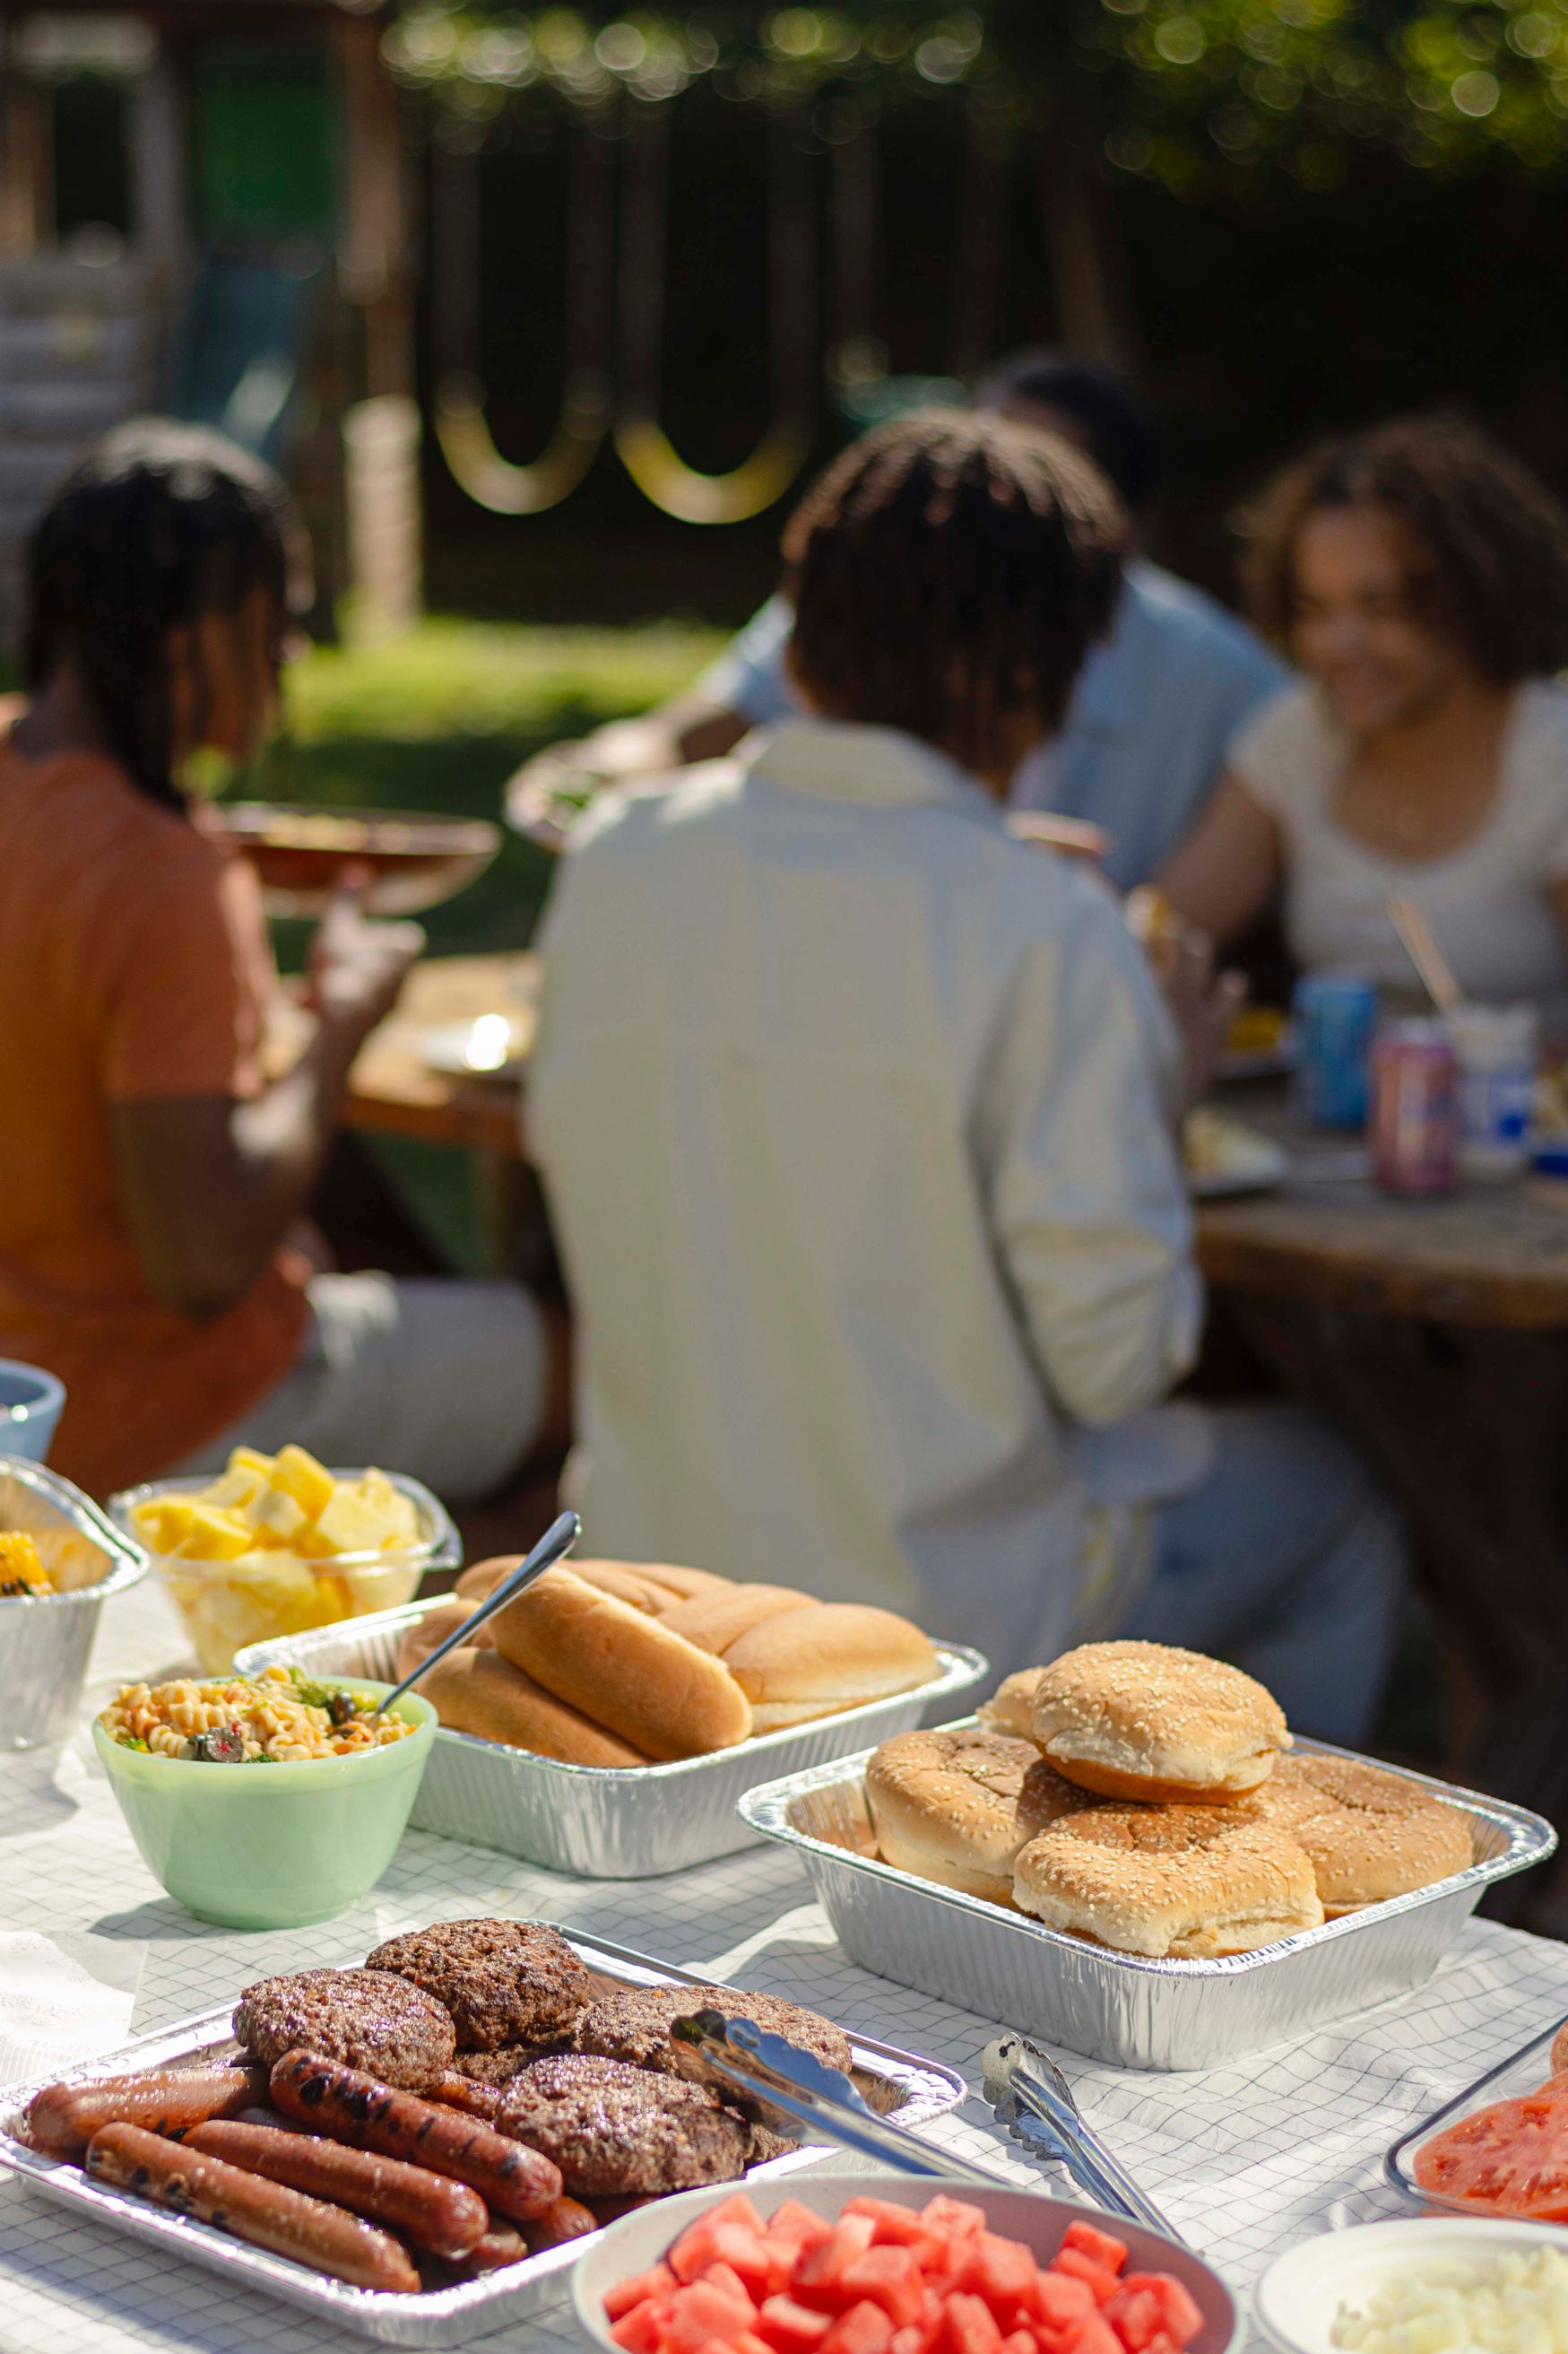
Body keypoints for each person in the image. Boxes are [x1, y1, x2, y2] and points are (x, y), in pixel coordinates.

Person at [525, 412, 1405, 1735]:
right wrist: (1156, 1106)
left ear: (805, 631)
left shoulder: (619, 862)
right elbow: (1117, 1363)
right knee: (1341, 1502)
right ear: (1041, 671)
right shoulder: (1046, 926)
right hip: (937, 1612)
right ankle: (1217, 1879)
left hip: (649, 1579)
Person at [0, 420, 556, 1504]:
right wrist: (339, 1024)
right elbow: (203, 1265)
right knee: (586, 1360)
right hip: (179, 1416)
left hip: (2, 1381)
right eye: (278, 622)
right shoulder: (165, 870)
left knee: (387, 1253)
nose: (290, 658)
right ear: (192, 638)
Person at [505, 353, 1284, 886]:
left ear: (1107, 530)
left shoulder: (1223, 678)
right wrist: (600, 771)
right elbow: (703, 723)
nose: (975, 492)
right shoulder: (879, 598)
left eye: (1025, 491)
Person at [1150, 416, 1568, 1060]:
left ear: (1472, 597)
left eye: (1382, 608)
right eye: (1315, 610)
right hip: (1323, 1140)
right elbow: (1162, 934)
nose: (1340, 646)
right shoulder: (1294, 734)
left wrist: (1439, 1077)